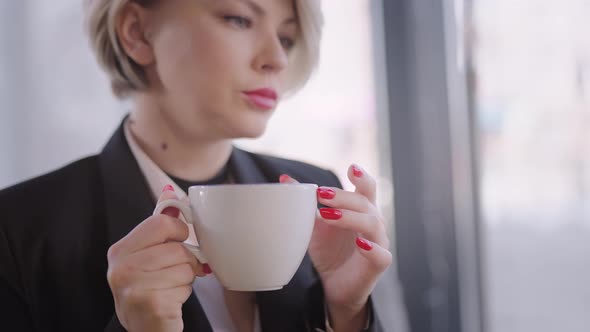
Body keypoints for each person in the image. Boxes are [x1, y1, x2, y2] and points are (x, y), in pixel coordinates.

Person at [0, 0, 392, 331]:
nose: (276, 59)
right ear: (137, 32)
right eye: (238, 19)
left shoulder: (320, 197)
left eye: (286, 38)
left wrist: (346, 313)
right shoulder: (17, 230)